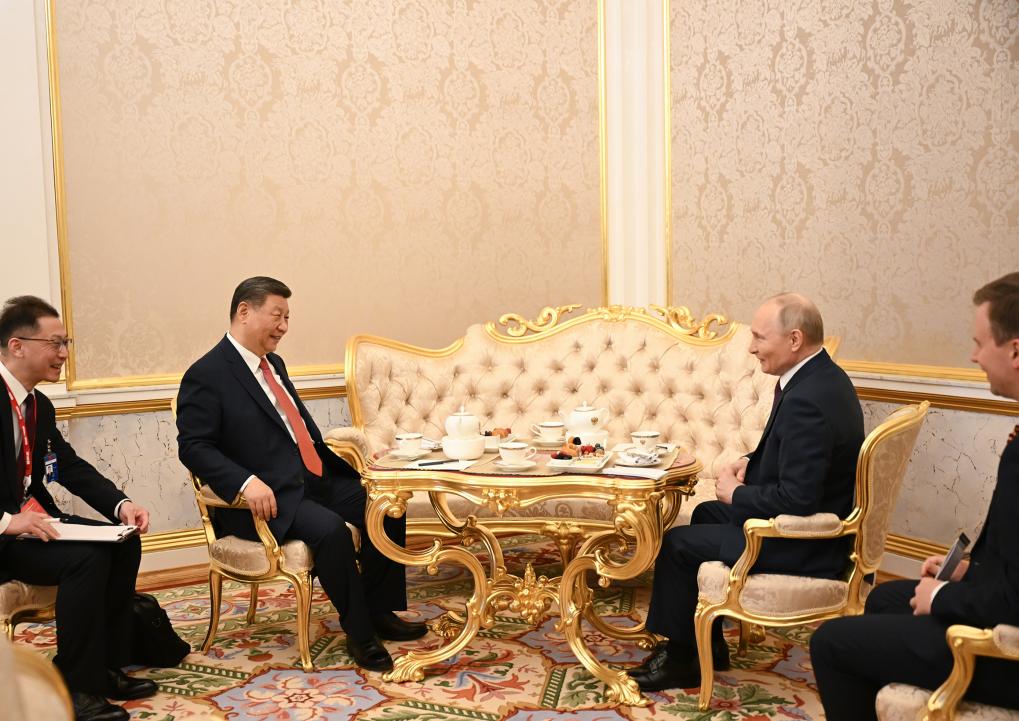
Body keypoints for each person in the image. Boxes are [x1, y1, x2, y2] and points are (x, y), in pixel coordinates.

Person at [176, 276, 425, 673]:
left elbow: (296, 431)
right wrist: (245, 482)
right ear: (244, 311)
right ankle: (361, 634)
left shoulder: (273, 364)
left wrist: (351, 460)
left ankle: (379, 610)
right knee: (331, 531)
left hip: (311, 478)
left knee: (387, 507)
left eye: (288, 317)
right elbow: (194, 447)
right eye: (277, 316)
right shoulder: (207, 374)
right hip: (266, 497)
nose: (284, 327)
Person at [630, 292, 865, 691]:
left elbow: (798, 500)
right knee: (705, 514)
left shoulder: (807, 399)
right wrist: (749, 462)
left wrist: (736, 494)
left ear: (794, 339)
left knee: (678, 544)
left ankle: (681, 659)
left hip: (804, 543)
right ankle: (710, 644)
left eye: (759, 337)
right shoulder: (819, 378)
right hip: (809, 526)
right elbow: (798, 454)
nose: (752, 347)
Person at [810, 273, 1019, 719]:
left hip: (1007, 651)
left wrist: (941, 598)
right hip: (1001, 602)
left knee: (830, 643)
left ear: (1015, 351)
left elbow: (1014, 602)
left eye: (980, 343)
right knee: (885, 599)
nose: (973, 356)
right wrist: (966, 571)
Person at [0, 296, 156, 721]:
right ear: (17, 346)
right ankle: (75, 685)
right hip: (5, 534)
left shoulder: (38, 404)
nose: (64, 353)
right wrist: (10, 521)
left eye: (66, 342)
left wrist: (121, 505)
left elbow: (67, 466)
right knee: (86, 559)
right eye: (55, 343)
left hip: (35, 521)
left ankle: (106, 666)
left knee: (124, 541)